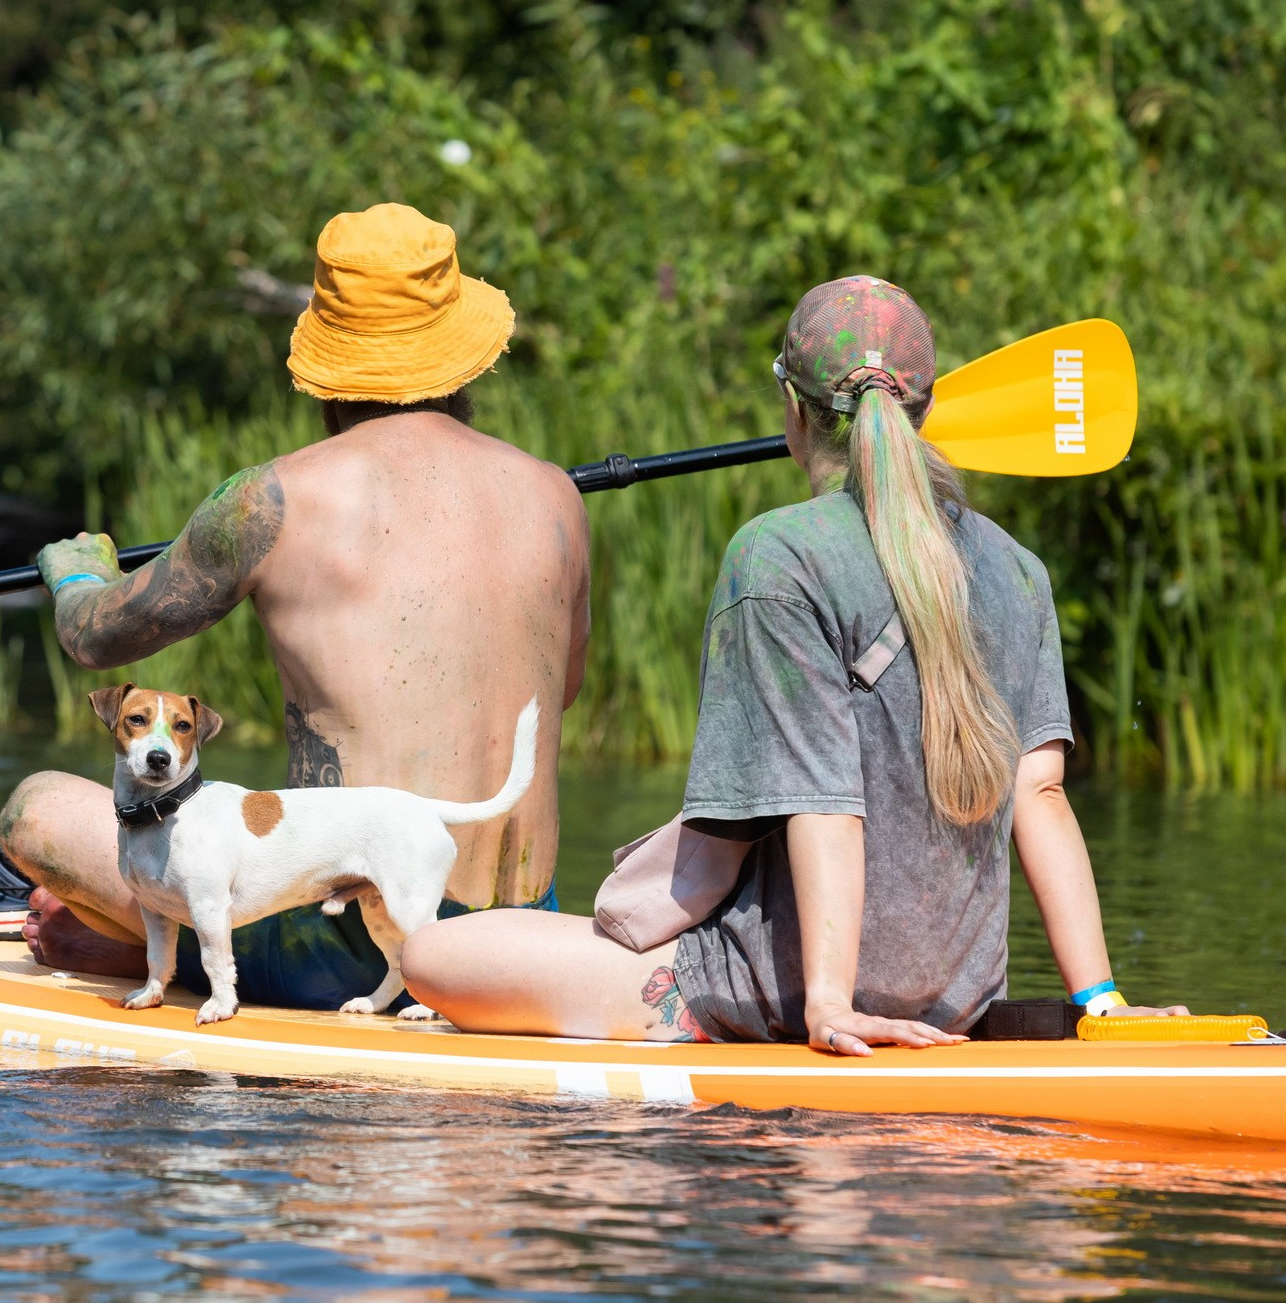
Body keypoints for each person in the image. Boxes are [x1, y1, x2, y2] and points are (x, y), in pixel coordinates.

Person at [402, 278, 1183, 1051]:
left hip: (774, 987)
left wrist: (831, 1005)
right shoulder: (1020, 571)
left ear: (794, 409)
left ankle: (808, 1005)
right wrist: (1100, 999)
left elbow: (824, 801)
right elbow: (1039, 792)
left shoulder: (777, 555)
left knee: (433, 953)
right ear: (929, 409)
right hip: (957, 998)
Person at [0, 202, 592, 1010]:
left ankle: (140, 944)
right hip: (521, 930)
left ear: (329, 369)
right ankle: (151, 938)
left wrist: (75, 574)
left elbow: (96, 637)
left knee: (33, 807)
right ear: (463, 360)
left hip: (342, 946)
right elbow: (561, 692)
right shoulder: (556, 493)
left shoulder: (270, 501)